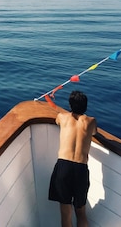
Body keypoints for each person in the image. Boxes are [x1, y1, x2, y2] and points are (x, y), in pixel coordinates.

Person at [48, 90, 97, 227]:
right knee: (80, 210)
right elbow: (93, 132)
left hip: (64, 167)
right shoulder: (91, 122)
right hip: (81, 168)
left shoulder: (62, 118)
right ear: (85, 106)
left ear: (70, 105)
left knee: (65, 211)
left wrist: (51, 100)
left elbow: (58, 117)